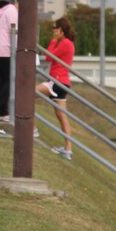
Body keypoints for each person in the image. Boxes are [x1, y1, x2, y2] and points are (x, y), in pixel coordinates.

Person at [41, 17, 76, 159]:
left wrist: (53, 40)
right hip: (61, 81)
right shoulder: (66, 43)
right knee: (62, 116)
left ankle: (32, 129)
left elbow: (48, 56)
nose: (53, 31)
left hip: (57, 81)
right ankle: (68, 149)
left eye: (55, 28)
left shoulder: (65, 43)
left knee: (27, 94)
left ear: (62, 30)